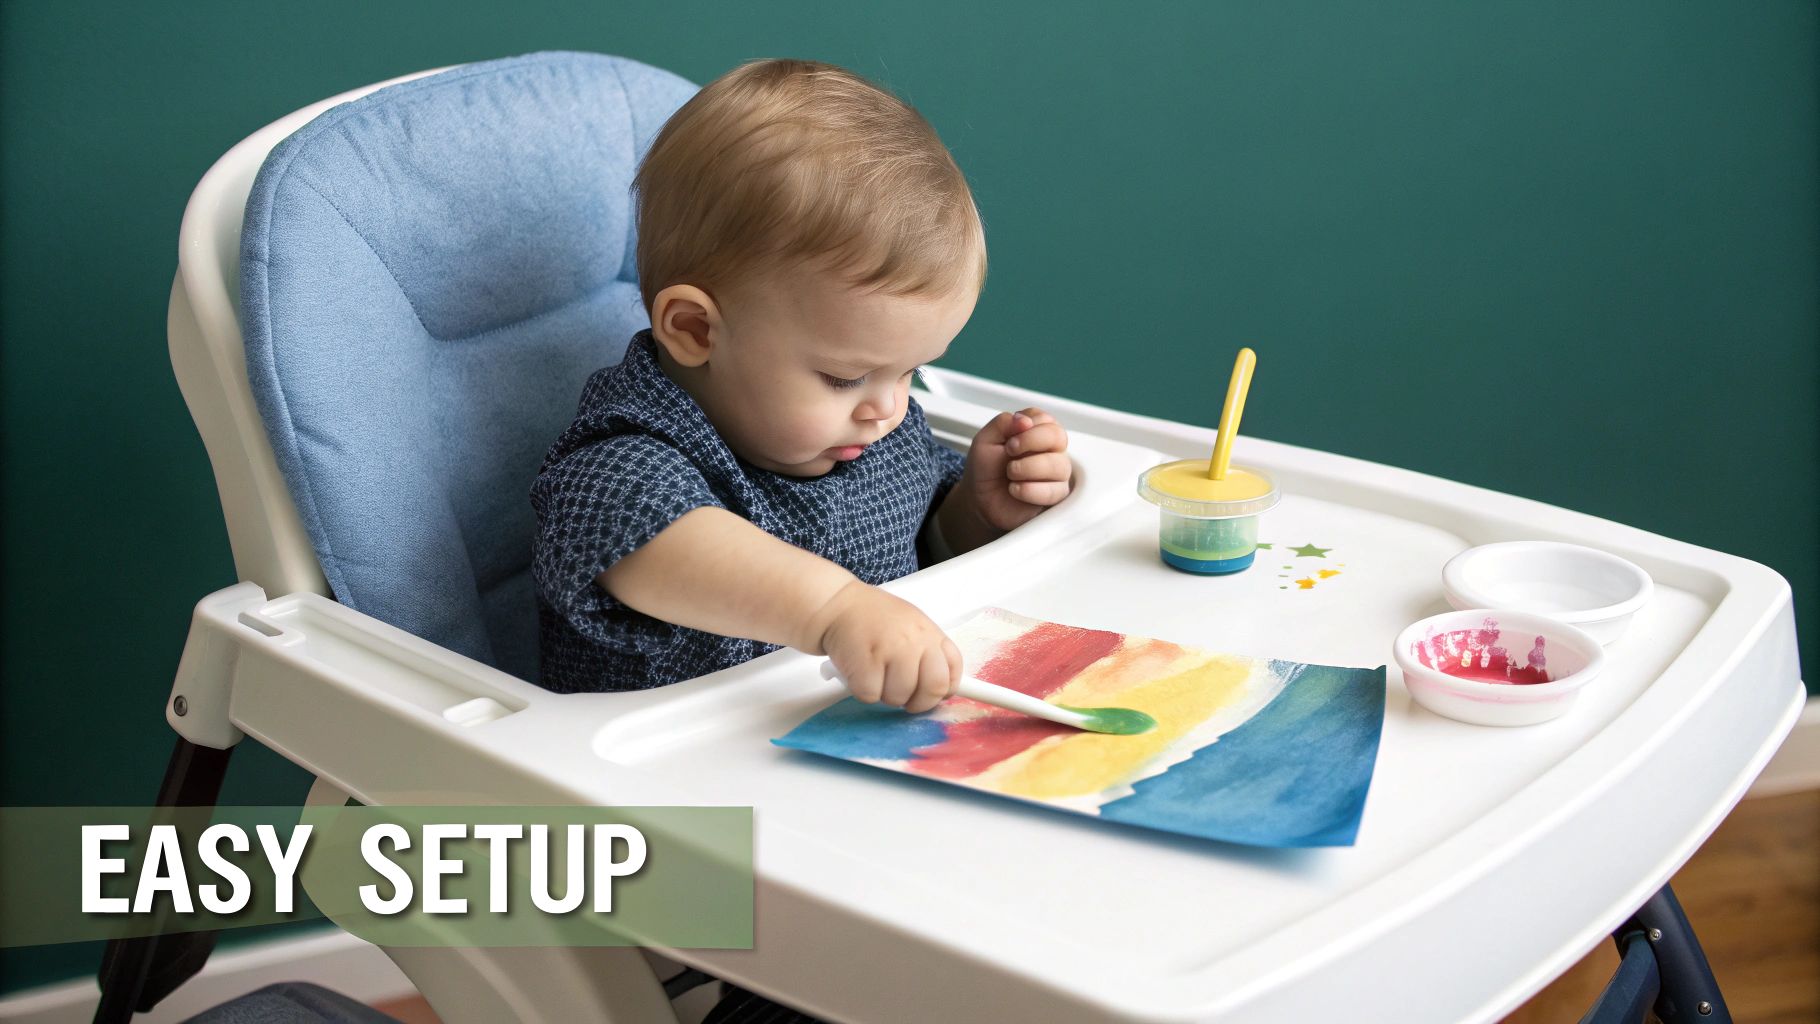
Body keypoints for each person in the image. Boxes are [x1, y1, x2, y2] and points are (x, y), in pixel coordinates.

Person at [531, 58, 1072, 707]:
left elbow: (914, 551)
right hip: (679, 755)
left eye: (913, 371)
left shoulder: (873, 430)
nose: (888, 407)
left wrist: (972, 516)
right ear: (696, 330)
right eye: (844, 376)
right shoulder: (622, 463)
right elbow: (661, 546)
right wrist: (835, 610)